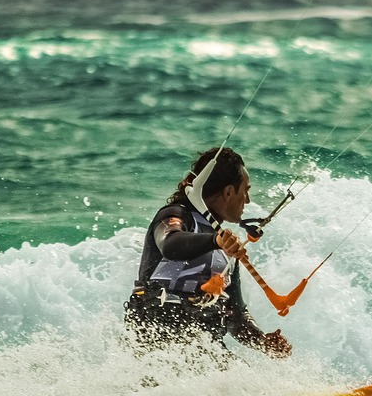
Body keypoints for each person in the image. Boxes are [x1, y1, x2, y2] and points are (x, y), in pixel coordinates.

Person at [125, 147, 292, 359]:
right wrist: (216, 240)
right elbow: (170, 244)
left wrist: (263, 341)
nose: (247, 200)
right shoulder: (176, 216)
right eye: (245, 191)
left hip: (201, 343)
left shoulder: (227, 246)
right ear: (229, 192)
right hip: (158, 334)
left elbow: (235, 315)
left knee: (237, 379)